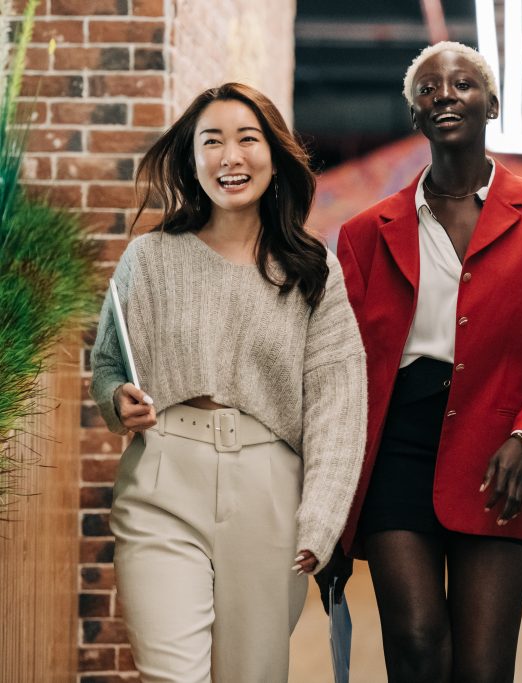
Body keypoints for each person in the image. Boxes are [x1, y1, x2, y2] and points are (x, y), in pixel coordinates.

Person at [325, 41, 522, 683]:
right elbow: (340, 372)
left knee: (482, 667)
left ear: (492, 103)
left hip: (501, 454)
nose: (445, 93)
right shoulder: (365, 233)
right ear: (415, 115)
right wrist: (330, 501)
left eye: (464, 83)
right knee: (416, 645)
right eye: (428, 88)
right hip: (396, 450)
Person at [89, 82, 367, 683]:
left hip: (270, 493)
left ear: (275, 153)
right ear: (192, 160)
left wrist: (322, 517)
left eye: (247, 139)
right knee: (171, 674)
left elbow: (338, 407)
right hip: (162, 477)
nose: (229, 157)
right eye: (210, 142)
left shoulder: (313, 272)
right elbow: (110, 362)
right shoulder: (149, 258)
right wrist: (118, 399)